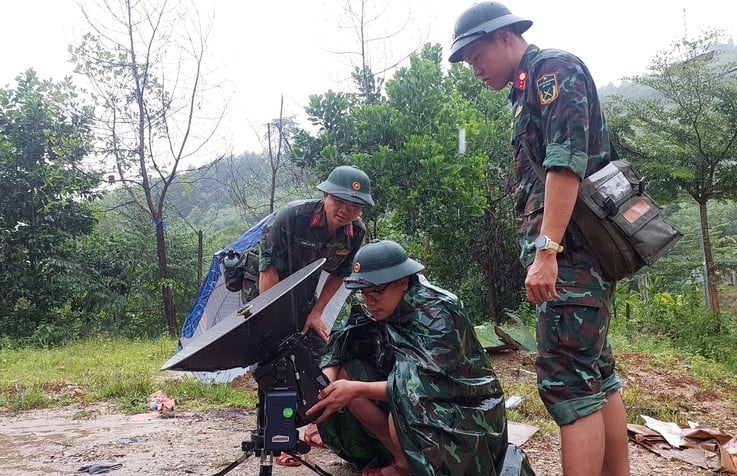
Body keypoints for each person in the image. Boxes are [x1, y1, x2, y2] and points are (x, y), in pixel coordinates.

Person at [448, 3, 630, 476]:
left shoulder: (552, 72)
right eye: (468, 63)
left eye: (476, 56)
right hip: (578, 258)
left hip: (571, 257)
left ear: (504, 35)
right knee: (596, 374)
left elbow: (565, 164)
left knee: (568, 383)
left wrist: (547, 252)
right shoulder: (527, 87)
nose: (475, 69)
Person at [306, 240, 510, 476]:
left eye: (375, 291)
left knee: (403, 401)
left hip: (464, 408)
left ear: (402, 282)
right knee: (346, 373)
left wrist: (355, 389)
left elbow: (421, 385)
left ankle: (404, 467)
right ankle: (400, 458)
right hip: (413, 394)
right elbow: (342, 341)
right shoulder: (382, 305)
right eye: (363, 293)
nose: (370, 301)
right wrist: (326, 385)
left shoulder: (439, 313)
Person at [222, 165, 373, 466]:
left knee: (316, 351)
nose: (346, 210)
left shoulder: (355, 233)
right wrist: (273, 323)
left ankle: (314, 427)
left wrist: (317, 312)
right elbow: (268, 270)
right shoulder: (290, 217)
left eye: (355, 205)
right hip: (263, 283)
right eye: (339, 200)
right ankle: (279, 438)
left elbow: (340, 273)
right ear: (325, 195)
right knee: (275, 356)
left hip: (302, 287)